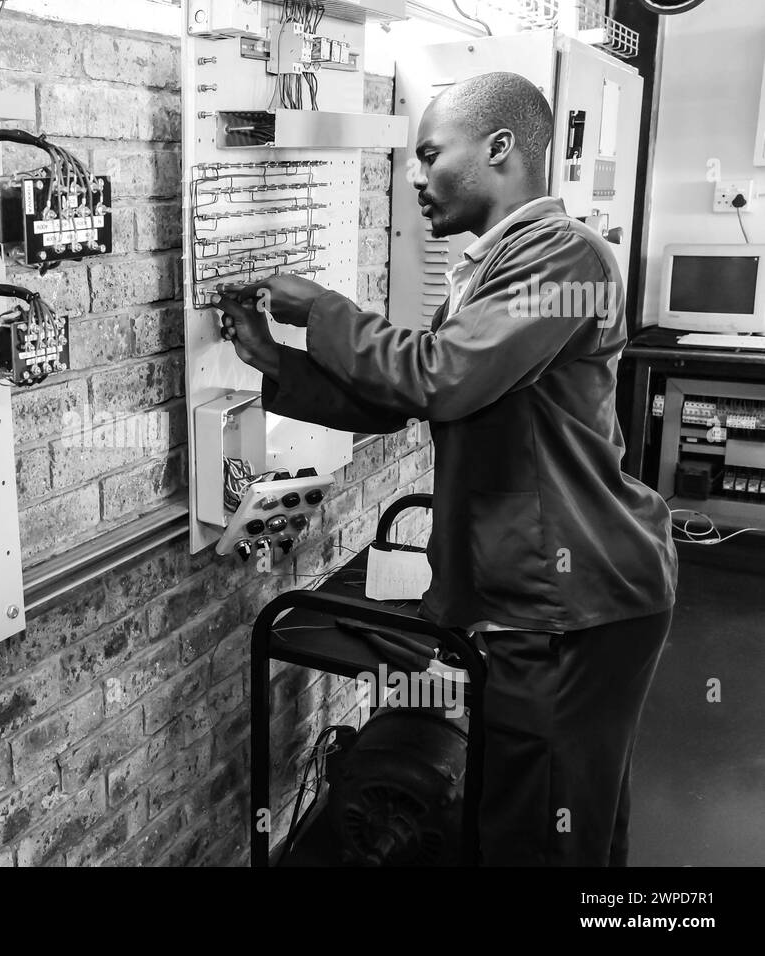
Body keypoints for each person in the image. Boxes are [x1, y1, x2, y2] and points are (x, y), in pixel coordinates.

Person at [215, 71, 678, 866]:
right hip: (540, 601)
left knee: (538, 836)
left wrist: (321, 308)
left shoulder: (567, 260)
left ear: (499, 148)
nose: (414, 176)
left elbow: (440, 376)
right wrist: (275, 365)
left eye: (429, 155)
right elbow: (406, 399)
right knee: (557, 816)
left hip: (574, 604)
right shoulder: (492, 270)